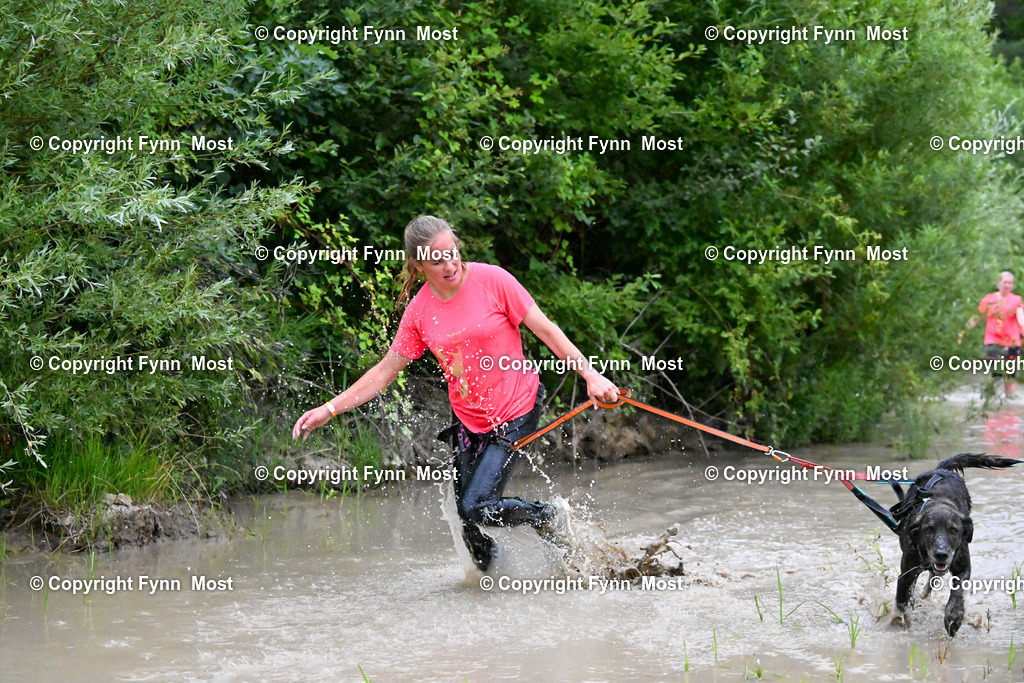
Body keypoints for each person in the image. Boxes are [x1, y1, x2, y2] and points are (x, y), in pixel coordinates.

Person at [292, 215, 619, 570]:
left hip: (516, 407)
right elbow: (384, 372)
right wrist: (330, 408)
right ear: (418, 264)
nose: (449, 265)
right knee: (471, 528)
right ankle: (489, 594)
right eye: (437, 260)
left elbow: (547, 331)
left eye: (452, 253)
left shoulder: (493, 280)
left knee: (476, 506)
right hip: (468, 420)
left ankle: (548, 516)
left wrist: (590, 374)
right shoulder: (419, 312)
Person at [959, 271, 1024, 397]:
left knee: (1010, 373)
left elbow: (1021, 318)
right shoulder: (989, 299)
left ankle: (1009, 399)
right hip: (992, 339)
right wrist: (963, 332)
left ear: (1013, 285)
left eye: (1010, 283)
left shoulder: (1016, 300)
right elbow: (976, 317)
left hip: (1012, 340)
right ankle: (990, 389)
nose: (1007, 285)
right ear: (999, 283)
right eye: (1005, 282)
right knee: (995, 367)